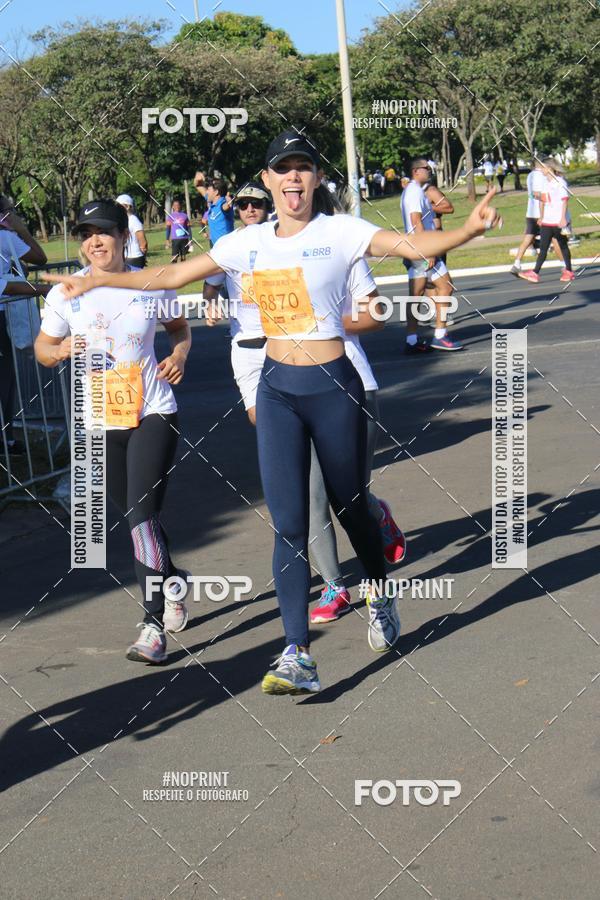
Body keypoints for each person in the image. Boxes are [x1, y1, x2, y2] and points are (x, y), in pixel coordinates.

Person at [43, 131, 500, 694]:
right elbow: (169, 278)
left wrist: (470, 230)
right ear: (267, 180)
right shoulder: (247, 242)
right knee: (288, 525)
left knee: (351, 504)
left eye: (303, 168)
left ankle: (380, 593)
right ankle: (296, 652)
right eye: (281, 169)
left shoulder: (340, 231)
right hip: (276, 387)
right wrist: (101, 279)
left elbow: (409, 247)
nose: (292, 178)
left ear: (315, 179)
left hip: (335, 385)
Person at [203, 180, 407, 627]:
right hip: (268, 370)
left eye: (258, 202)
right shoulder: (242, 249)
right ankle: (333, 587)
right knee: (306, 501)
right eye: (245, 205)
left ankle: (377, 549)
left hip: (343, 381)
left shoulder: (337, 248)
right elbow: (203, 280)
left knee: (348, 499)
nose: (252, 210)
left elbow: (376, 312)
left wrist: (324, 323)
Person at [35, 199, 192, 664]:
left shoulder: (150, 284)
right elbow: (42, 348)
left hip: (153, 413)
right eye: (86, 234)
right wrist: (58, 350)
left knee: (141, 518)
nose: (94, 242)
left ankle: (152, 623)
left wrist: (179, 356)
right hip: (100, 420)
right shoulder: (66, 293)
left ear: (125, 236)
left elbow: (180, 330)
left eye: (103, 232)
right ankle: (174, 579)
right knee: (137, 518)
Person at [0, 195, 49, 454]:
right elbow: (39, 256)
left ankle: (7, 438)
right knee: (5, 381)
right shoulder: (6, 238)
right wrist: (19, 228)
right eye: (11, 210)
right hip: (1, 317)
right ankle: (5, 439)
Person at [401, 158, 463, 352]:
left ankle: (412, 341)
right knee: (444, 287)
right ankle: (439, 335)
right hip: (421, 249)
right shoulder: (415, 192)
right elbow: (415, 220)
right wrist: (427, 250)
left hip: (416, 248)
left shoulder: (414, 191)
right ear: (415, 171)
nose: (430, 171)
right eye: (427, 168)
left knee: (418, 295)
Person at [518, 158, 574, 283]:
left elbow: (564, 200)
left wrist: (563, 218)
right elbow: (543, 201)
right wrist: (541, 217)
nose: (541, 170)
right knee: (543, 248)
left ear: (549, 168)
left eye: (543, 167)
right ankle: (535, 273)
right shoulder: (545, 183)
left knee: (562, 245)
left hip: (558, 220)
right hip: (547, 221)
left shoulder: (560, 182)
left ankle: (569, 271)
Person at [193, 174, 234, 247]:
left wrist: (229, 202)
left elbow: (226, 207)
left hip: (226, 248)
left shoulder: (222, 204)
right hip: (215, 247)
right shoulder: (212, 203)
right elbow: (198, 186)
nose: (207, 192)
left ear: (216, 192)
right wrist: (197, 179)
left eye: (208, 189)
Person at [115, 194, 148, 268]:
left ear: (128, 207)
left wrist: (143, 256)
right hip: (123, 258)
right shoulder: (119, 221)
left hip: (134, 258)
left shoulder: (134, 220)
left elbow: (143, 243)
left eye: (120, 206)